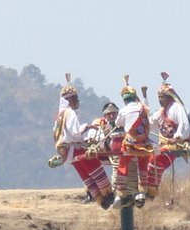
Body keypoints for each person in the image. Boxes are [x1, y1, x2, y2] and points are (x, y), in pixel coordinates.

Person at [53, 75, 114, 209]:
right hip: (77, 149)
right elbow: (75, 132)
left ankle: (99, 198)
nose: (77, 101)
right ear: (69, 100)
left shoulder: (59, 115)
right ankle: (108, 196)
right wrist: (88, 127)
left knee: (87, 176)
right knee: (95, 168)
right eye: (75, 98)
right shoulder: (69, 113)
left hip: (68, 153)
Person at [142, 73, 190, 204]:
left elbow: (184, 125)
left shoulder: (177, 108)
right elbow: (148, 123)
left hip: (174, 146)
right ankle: (147, 189)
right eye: (158, 97)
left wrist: (177, 138)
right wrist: (144, 99)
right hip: (162, 145)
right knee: (145, 157)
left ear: (169, 97)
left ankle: (150, 190)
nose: (159, 99)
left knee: (155, 157)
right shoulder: (160, 112)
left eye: (162, 97)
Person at [112, 77, 153, 208]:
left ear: (124, 99)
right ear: (135, 97)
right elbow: (148, 109)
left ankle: (120, 193)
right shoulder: (142, 108)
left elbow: (118, 123)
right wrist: (144, 96)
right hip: (144, 144)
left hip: (129, 144)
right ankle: (142, 192)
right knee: (143, 164)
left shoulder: (123, 111)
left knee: (122, 165)